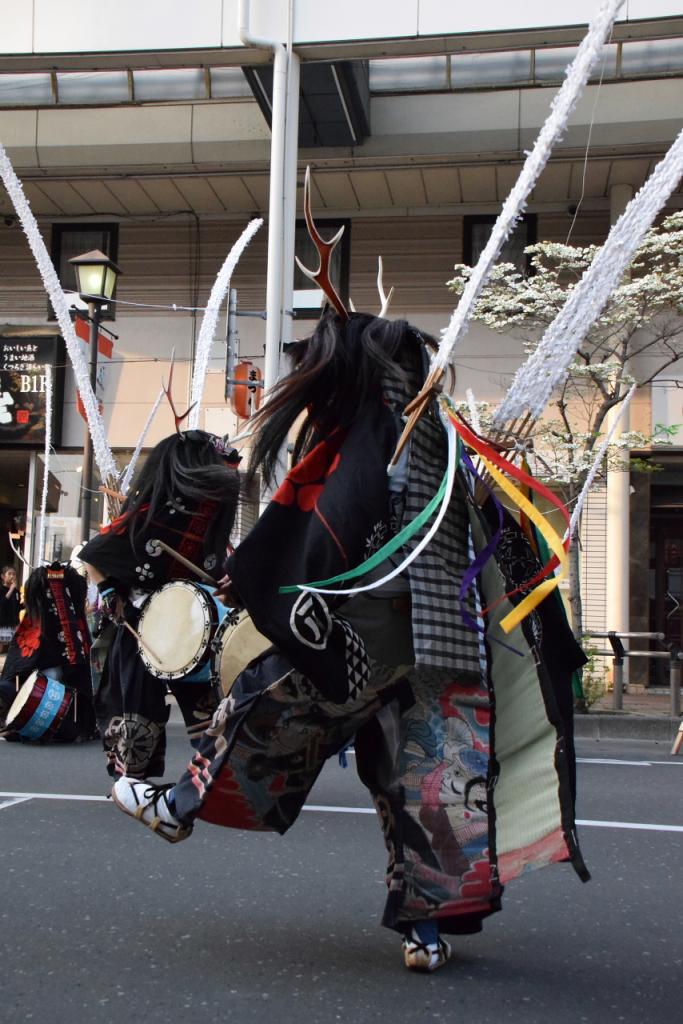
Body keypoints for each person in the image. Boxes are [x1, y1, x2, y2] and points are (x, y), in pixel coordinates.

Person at [110, 310, 588, 973]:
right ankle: (424, 931)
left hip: (365, 641)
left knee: (262, 700)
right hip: (448, 647)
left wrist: (253, 578)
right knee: (424, 784)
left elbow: (325, 524)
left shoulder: (372, 432)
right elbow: (489, 535)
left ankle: (179, 807)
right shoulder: (443, 441)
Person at [79, 429, 240, 779]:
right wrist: (109, 592)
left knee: (212, 712)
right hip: (143, 626)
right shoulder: (149, 516)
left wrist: (232, 585)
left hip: (194, 626)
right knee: (138, 711)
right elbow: (93, 554)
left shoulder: (211, 524)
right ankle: (132, 782)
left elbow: (219, 576)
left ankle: (218, 778)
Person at [0, 561, 96, 742]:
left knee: (60, 682)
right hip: (54, 648)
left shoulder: (60, 581)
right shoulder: (63, 582)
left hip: (57, 649)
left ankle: (62, 727)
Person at [0, 565, 21, 651]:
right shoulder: (1, 589)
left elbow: (19, 606)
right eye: (9, 574)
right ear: (3, 576)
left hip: (14, 624)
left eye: (14, 574)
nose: (12, 576)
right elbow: (2, 603)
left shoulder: (16, 592)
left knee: (14, 648)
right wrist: (11, 589)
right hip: (2, 623)